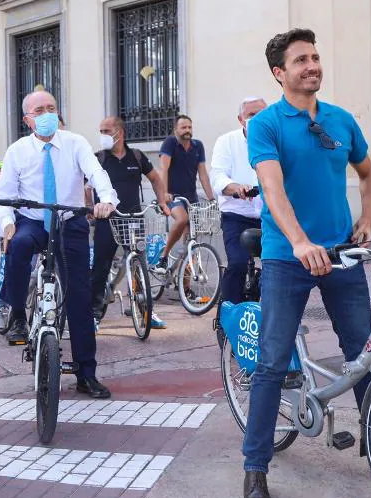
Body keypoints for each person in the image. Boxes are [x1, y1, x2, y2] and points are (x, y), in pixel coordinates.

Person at [240, 29, 371, 498]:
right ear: (279, 72)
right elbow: (272, 188)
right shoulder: (266, 125)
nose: (312, 65)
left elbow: (369, 176)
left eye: (316, 57)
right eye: (301, 60)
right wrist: (300, 242)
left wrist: (366, 219)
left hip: (342, 255)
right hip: (288, 258)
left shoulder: (342, 120)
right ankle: (255, 470)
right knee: (271, 362)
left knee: (366, 355)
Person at [0, 90, 117, 399]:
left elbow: (96, 173)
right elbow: (5, 194)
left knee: (79, 296)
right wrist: (8, 225)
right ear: (27, 119)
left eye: (51, 107)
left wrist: (107, 200)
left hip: (69, 221)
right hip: (32, 221)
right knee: (19, 246)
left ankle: (86, 374)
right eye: (39, 110)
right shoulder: (17, 151)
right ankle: (18, 316)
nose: (47, 113)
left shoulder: (75, 143)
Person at [89, 116, 170, 327]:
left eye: (106, 130)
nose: (102, 135)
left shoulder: (136, 156)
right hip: (107, 221)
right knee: (100, 267)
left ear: (119, 132)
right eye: (101, 131)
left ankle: (145, 311)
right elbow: (86, 186)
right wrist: (89, 209)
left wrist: (162, 201)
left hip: (133, 220)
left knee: (139, 265)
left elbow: (155, 179)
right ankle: (94, 314)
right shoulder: (98, 158)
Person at [211, 97, 267, 305]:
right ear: (241, 119)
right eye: (252, 115)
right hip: (237, 216)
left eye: (262, 114)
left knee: (280, 266)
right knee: (238, 264)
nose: (258, 119)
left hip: (270, 215)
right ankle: (227, 313)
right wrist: (237, 188)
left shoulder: (277, 140)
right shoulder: (227, 141)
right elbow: (218, 177)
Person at [156, 115, 215, 270]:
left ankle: (185, 286)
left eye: (189, 127)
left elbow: (203, 174)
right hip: (173, 196)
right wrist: (165, 192)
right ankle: (164, 257)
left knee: (191, 241)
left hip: (191, 197)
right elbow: (164, 169)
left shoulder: (198, 146)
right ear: (176, 129)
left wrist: (211, 198)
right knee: (182, 219)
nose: (187, 130)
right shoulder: (170, 143)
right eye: (183, 127)